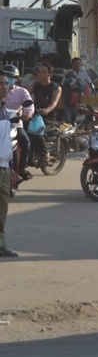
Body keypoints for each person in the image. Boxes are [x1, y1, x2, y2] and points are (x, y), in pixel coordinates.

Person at [3, 65, 33, 181]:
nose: (8, 80)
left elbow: (29, 105)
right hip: (1, 125)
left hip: (15, 126)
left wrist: (27, 114)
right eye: (6, 77)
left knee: (25, 141)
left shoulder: (22, 92)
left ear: (16, 79)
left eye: (12, 77)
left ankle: (21, 168)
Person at [29, 63, 62, 165]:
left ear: (49, 75)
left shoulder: (56, 87)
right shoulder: (35, 85)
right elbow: (25, 94)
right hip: (35, 115)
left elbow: (54, 103)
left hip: (49, 118)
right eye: (39, 71)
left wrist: (47, 109)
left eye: (43, 72)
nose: (40, 74)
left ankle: (45, 154)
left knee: (36, 130)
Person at [0, 73, 18, 257]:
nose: (5, 87)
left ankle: (1, 245)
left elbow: (6, 141)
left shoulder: (4, 110)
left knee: (2, 210)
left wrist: (11, 166)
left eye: (7, 83)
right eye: (1, 84)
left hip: (4, 168)